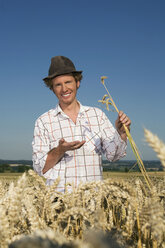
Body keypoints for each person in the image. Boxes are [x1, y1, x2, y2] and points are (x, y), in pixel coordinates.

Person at [32, 56, 131, 192]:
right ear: (52, 89)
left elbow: (113, 156)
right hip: (58, 205)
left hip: (93, 201)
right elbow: (39, 167)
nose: (64, 89)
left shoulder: (97, 115)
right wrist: (60, 150)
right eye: (58, 85)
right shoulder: (43, 122)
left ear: (77, 82)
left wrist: (122, 133)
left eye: (68, 82)